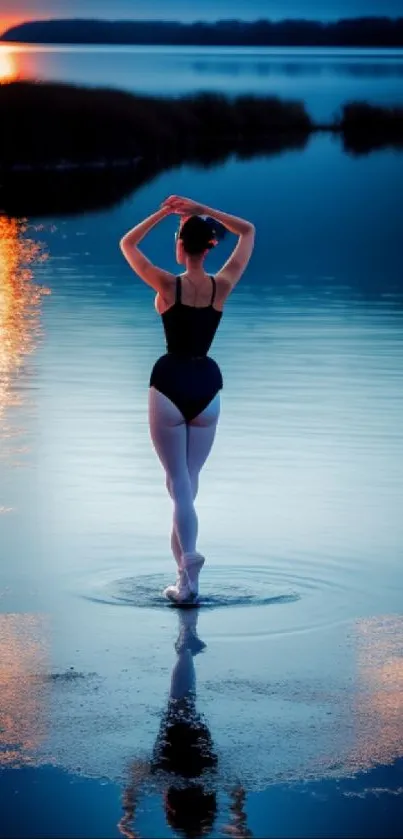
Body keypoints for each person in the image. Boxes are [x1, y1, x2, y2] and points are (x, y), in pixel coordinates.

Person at [119, 195, 255, 603]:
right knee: (186, 484)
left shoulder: (168, 284)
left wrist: (165, 213)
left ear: (181, 245)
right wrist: (205, 210)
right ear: (210, 245)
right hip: (207, 386)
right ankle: (187, 585)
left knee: (178, 485)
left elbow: (127, 244)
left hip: (170, 383)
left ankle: (188, 561)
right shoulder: (222, 285)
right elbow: (247, 230)